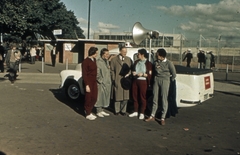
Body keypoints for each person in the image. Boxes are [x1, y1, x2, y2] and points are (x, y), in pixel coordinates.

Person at [145, 48, 176, 125]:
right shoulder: (156, 62)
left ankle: (162, 117)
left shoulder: (169, 63)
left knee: (164, 99)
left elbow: (174, 74)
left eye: (157, 54)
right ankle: (152, 115)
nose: (156, 55)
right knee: (155, 98)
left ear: (162, 56)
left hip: (165, 81)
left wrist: (168, 80)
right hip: (156, 80)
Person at [128, 49, 152, 120]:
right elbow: (133, 70)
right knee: (134, 96)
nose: (137, 55)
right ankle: (135, 111)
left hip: (143, 81)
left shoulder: (148, 63)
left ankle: (142, 112)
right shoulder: (136, 62)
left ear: (142, 55)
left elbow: (150, 74)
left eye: (138, 54)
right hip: (135, 80)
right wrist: (134, 73)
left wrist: (143, 74)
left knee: (142, 97)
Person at [110, 46, 132, 116]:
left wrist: (129, 74)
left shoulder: (128, 59)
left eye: (126, 52)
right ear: (120, 51)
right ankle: (117, 110)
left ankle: (123, 110)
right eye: (124, 51)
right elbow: (112, 70)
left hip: (126, 80)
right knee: (117, 96)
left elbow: (131, 68)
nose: (125, 53)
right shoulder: (114, 60)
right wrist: (113, 79)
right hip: (118, 79)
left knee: (125, 97)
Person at [82, 47, 98, 120]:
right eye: (96, 53)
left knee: (94, 97)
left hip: (94, 81)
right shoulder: (85, 62)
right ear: (92, 53)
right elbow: (84, 74)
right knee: (88, 97)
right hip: (88, 81)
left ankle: (90, 110)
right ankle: (87, 113)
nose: (97, 54)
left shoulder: (94, 60)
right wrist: (87, 85)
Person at [95, 48, 111, 118]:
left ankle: (102, 110)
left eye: (108, 54)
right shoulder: (98, 62)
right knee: (99, 97)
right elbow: (97, 73)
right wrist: (101, 80)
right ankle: (98, 110)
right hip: (101, 83)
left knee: (105, 96)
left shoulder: (106, 61)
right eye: (106, 54)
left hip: (107, 82)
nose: (108, 55)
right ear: (102, 54)